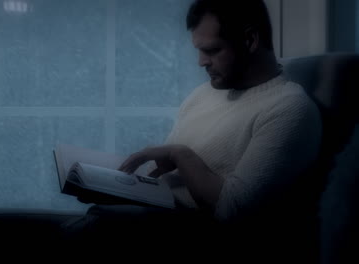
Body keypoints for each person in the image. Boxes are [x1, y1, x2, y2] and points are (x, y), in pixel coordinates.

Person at [69, 0, 322, 260]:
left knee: (90, 230)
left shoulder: (289, 109)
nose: (201, 62)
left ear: (249, 40)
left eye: (212, 50)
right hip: (156, 221)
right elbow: (164, 180)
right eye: (199, 50)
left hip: (204, 240)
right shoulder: (203, 94)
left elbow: (231, 211)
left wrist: (182, 154)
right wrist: (118, 191)